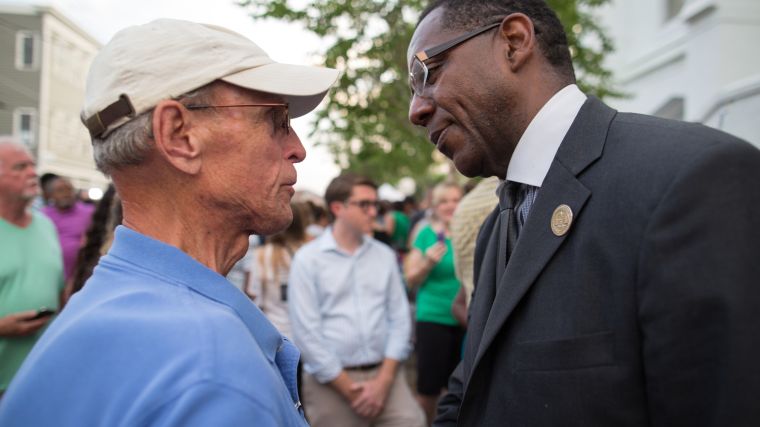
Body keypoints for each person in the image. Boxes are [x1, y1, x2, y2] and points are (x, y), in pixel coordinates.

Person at [407, 1, 760, 426]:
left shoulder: (691, 178)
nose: (417, 110)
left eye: (427, 74)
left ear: (514, 42)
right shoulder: (498, 225)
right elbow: (473, 393)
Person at [0, 18, 338, 425]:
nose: (297, 149)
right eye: (276, 121)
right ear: (179, 136)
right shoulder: (210, 368)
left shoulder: (105, 306)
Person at [288, 174, 425, 427]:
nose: (374, 212)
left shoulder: (384, 256)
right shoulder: (308, 260)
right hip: (330, 382)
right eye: (365, 205)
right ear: (338, 208)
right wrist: (349, 389)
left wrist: (383, 382)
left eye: (375, 204)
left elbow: (399, 318)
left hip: (387, 374)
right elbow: (307, 333)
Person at [0, 140, 64, 397]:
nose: (32, 173)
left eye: (32, 165)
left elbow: (59, 291)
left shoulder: (45, 225)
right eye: (20, 167)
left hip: (40, 377)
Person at [403, 181, 463, 423]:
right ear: (435, 206)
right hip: (433, 317)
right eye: (444, 201)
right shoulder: (425, 233)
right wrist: (427, 263)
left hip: (465, 317)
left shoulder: (470, 229)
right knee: (428, 390)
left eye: (455, 200)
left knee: (457, 387)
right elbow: (409, 279)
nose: (451, 206)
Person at [247, 201, 311, 338]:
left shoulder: (262, 256)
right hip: (306, 335)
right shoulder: (309, 254)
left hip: (274, 334)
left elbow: (253, 293)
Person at [41, 175, 95, 282]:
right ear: (50, 195)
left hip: (81, 275)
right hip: (50, 275)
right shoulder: (43, 215)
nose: (66, 194)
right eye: (60, 190)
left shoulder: (89, 212)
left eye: (69, 189)